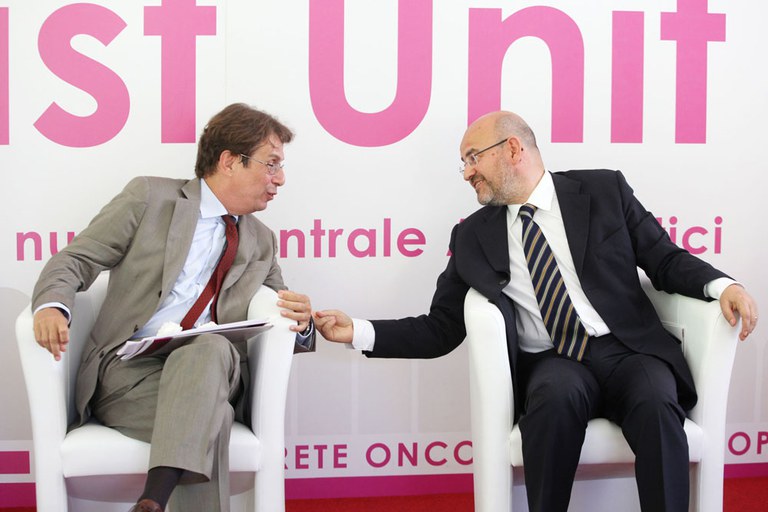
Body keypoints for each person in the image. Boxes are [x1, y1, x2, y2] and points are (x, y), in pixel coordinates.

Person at [314, 111, 758, 512]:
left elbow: (664, 259)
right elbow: (441, 327)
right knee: (553, 401)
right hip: (554, 361)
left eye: (473, 158)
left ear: (512, 149)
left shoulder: (604, 190)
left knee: (657, 402)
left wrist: (724, 286)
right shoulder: (472, 236)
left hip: (627, 350)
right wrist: (358, 331)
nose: (467, 172)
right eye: (463, 163)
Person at [31, 103, 315, 512]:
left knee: (210, 347)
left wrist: (303, 323)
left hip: (213, 370)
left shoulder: (261, 241)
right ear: (229, 161)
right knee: (210, 420)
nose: (280, 179)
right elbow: (76, 260)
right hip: (130, 376)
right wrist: (52, 306)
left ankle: (153, 500)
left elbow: (281, 313)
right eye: (271, 164)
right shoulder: (150, 198)